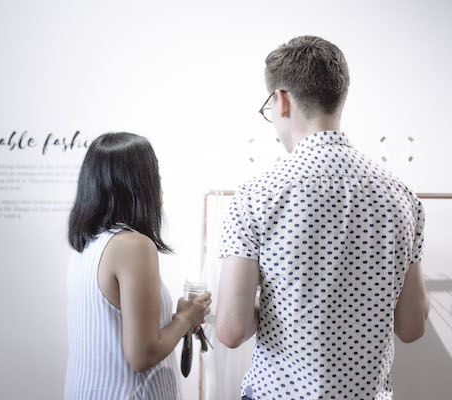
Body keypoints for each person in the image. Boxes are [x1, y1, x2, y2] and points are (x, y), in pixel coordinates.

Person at [215, 36, 429, 400]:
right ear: (339, 97)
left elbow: (231, 330)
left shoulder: (256, 196)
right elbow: (410, 327)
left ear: (281, 101)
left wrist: (275, 302)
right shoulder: (403, 198)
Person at [64, 132, 211, 399]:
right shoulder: (133, 246)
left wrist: (175, 321)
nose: (160, 181)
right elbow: (143, 354)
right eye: (154, 172)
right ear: (138, 183)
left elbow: (117, 333)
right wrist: (188, 316)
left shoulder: (87, 245)